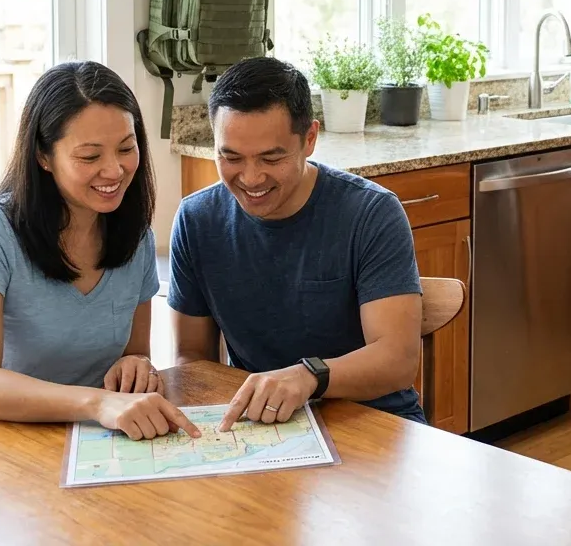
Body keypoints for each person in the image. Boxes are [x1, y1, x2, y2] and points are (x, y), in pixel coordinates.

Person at [0, 61, 201, 441]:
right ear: (43, 156)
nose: (114, 170)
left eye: (126, 148)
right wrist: (98, 403)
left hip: (64, 440)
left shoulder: (135, 236)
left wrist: (136, 365)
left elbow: (133, 353)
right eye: (90, 156)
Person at [168, 57, 424, 431]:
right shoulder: (196, 219)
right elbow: (192, 357)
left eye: (271, 158)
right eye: (231, 157)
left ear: (309, 139)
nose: (251, 178)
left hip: (375, 422)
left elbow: (398, 361)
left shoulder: (371, 213)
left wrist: (308, 376)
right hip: (265, 427)